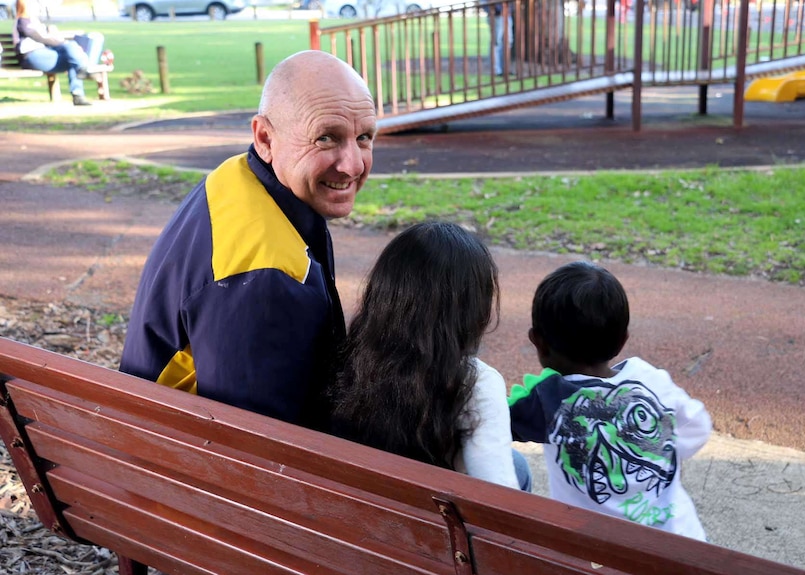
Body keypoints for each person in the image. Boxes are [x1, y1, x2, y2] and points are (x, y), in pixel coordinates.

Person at [119, 51, 377, 432]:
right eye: (326, 138)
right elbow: (255, 454)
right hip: (175, 470)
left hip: (152, 442)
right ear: (264, 137)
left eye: (364, 137)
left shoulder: (238, 179)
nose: (352, 164)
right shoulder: (264, 278)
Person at [508, 261, 712, 539]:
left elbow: (490, 418)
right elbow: (698, 426)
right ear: (623, 341)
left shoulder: (547, 401)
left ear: (537, 342)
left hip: (595, 555)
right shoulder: (650, 378)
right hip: (683, 543)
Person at [331, 222, 531, 491]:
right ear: (472, 308)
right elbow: (500, 496)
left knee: (517, 462)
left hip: (357, 512)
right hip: (432, 527)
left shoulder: (350, 355)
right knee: (519, 470)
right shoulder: (477, 383)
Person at [12, 0, 102, 106]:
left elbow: (47, 37)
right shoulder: (23, 21)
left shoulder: (34, 21)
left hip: (44, 54)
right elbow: (41, 38)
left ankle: (78, 93)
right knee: (71, 50)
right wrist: (61, 41)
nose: (37, 6)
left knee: (73, 56)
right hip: (31, 57)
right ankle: (85, 69)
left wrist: (51, 31)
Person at [485, 0, 514, 76]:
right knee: (496, 43)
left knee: (508, 42)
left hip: (507, 16)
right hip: (497, 16)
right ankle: (497, 70)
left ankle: (506, 68)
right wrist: (498, 10)